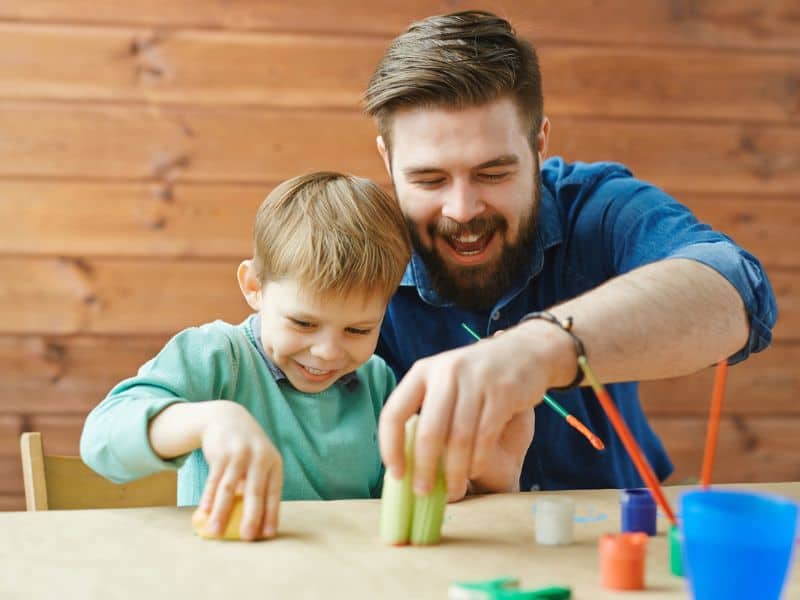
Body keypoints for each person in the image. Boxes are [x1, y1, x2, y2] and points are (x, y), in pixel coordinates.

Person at [364, 11, 777, 500]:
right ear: (388, 161)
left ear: (539, 144)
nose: (462, 209)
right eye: (429, 180)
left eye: (493, 173)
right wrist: (242, 420)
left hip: (614, 537)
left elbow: (737, 291)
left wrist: (538, 350)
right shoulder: (360, 245)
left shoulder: (598, 207)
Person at [80, 172, 421, 541]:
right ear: (254, 287)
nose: (328, 352)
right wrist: (208, 419)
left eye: (358, 330)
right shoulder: (216, 357)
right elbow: (101, 440)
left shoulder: (376, 380)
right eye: (304, 323)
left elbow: (391, 505)